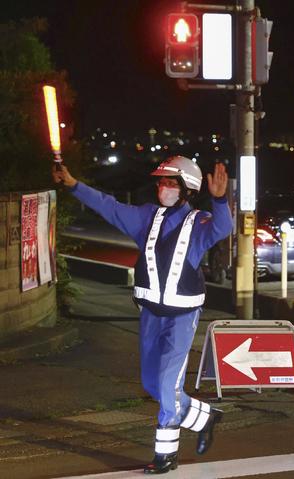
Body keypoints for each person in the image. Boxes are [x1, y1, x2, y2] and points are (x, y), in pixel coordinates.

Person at [53, 156, 233, 474]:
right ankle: (205, 417)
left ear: (187, 189)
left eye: (169, 183)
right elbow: (108, 206)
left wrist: (219, 199)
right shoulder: (146, 218)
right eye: (160, 182)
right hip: (151, 315)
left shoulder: (199, 223)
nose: (162, 187)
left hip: (181, 319)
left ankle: (165, 456)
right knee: (152, 384)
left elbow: (223, 227)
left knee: (166, 385)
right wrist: (74, 185)